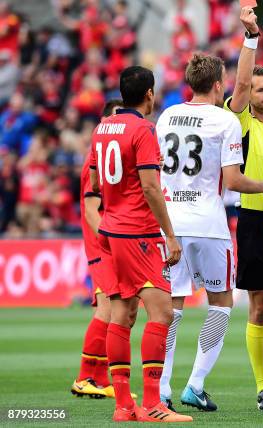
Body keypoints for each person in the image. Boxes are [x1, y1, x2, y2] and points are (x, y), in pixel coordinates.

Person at [157, 53, 263, 412]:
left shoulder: (168, 116)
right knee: (221, 302)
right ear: (219, 84)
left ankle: (161, 387)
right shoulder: (224, 120)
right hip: (208, 225)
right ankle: (196, 384)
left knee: (171, 308)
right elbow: (233, 180)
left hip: (170, 223)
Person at [90, 66, 191, 423]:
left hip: (112, 230)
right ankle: (151, 404)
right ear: (149, 94)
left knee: (122, 314)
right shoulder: (145, 128)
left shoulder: (103, 128)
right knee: (162, 313)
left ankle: (123, 406)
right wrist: (171, 235)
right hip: (140, 233)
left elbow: (102, 181)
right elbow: (150, 188)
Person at [224, 6, 263, 410]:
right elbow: (242, 82)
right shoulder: (241, 120)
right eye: (262, 90)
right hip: (253, 217)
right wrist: (251, 38)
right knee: (260, 305)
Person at [72, 99, 140, 400]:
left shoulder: (111, 159)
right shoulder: (94, 161)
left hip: (112, 242)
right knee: (109, 308)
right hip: (104, 245)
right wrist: (108, 238)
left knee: (121, 311)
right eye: (114, 118)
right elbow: (90, 209)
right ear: (103, 123)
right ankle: (86, 376)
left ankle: (98, 379)